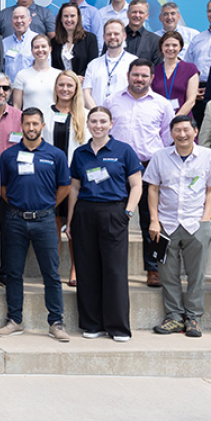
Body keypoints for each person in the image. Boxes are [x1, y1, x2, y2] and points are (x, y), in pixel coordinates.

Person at [67, 107, 143, 341]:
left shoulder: (123, 151)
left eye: (102, 121)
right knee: (87, 269)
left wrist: (127, 213)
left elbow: (137, 185)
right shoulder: (80, 153)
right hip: (85, 212)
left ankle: (118, 327)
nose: (98, 125)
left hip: (114, 212)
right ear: (87, 124)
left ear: (111, 124)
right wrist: (70, 221)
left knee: (114, 270)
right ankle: (92, 324)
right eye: (93, 121)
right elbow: (75, 188)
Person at [145, 114, 211, 337]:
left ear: (195, 132)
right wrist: (154, 220)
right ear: (171, 133)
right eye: (177, 130)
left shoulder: (209, 156)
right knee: (167, 274)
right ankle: (173, 317)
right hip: (165, 224)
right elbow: (153, 189)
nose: (182, 134)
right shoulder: (160, 156)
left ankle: (194, 318)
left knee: (196, 274)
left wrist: (206, 219)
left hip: (195, 223)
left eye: (186, 130)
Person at [0, 107, 70, 341]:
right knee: (13, 272)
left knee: (51, 273)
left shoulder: (56, 155)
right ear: (21, 126)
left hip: (45, 220)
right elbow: (3, 189)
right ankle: (14, 320)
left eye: (35, 124)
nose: (31, 128)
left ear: (43, 126)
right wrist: (21, 207)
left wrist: (46, 206)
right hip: (15, 220)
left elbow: (65, 187)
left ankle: (56, 322)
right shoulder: (8, 156)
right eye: (27, 124)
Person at [106, 59, 175, 287]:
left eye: (144, 76)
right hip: (117, 167)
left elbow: (167, 137)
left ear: (151, 78)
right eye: (136, 75)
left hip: (149, 167)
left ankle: (153, 268)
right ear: (128, 75)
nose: (139, 79)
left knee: (151, 219)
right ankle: (111, 266)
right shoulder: (112, 101)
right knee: (115, 218)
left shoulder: (162, 104)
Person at [44, 71, 88, 285]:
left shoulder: (85, 115)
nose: (65, 89)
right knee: (53, 225)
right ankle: (53, 269)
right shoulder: (45, 113)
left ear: (76, 89)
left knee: (74, 226)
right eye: (61, 85)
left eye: (69, 85)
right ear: (56, 87)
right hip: (50, 177)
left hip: (75, 179)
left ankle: (75, 269)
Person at [82, 20, 135, 110]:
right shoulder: (93, 64)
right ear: (104, 37)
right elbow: (86, 92)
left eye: (116, 34)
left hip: (124, 116)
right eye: (109, 34)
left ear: (124, 36)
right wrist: (97, 113)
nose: (112, 37)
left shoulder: (133, 62)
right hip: (97, 118)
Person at [151, 31, 199, 118]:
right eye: (167, 45)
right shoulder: (154, 71)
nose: (170, 48)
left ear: (180, 47)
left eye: (174, 45)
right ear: (161, 47)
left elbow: (191, 101)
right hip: (159, 121)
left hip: (182, 122)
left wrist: (175, 120)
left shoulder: (190, 69)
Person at [13, 34, 61, 113]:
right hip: (30, 123)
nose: (40, 50)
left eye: (43, 46)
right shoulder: (21, 75)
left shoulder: (59, 75)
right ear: (31, 51)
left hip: (53, 122)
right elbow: (16, 107)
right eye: (36, 47)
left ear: (50, 49)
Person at [51, 3, 98, 78]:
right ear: (61, 19)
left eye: (72, 16)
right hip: (62, 86)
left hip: (83, 84)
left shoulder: (90, 39)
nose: (69, 19)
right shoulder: (54, 42)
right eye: (66, 16)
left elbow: (93, 65)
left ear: (78, 18)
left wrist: (79, 79)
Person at [0, 6, 34, 81]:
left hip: (31, 89)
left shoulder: (38, 41)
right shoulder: (4, 43)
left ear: (29, 20)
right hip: (9, 89)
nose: (19, 21)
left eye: (22, 17)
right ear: (11, 21)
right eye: (15, 18)